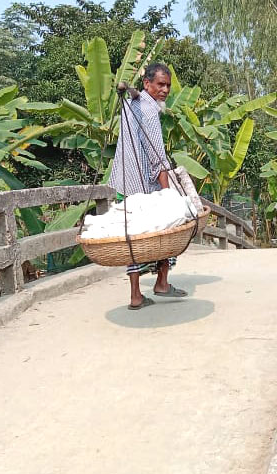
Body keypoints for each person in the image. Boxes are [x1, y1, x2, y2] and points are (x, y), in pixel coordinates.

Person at [108, 63, 188, 310]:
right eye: (160, 85)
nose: (164, 90)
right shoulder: (150, 112)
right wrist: (167, 193)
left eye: (168, 86)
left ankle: (135, 295)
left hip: (124, 183)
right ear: (147, 84)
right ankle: (162, 282)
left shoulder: (132, 104)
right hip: (145, 185)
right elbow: (157, 157)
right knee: (170, 226)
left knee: (131, 237)